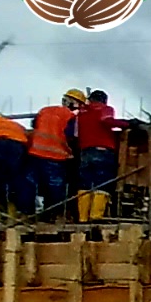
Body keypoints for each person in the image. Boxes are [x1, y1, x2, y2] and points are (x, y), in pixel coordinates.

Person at [26, 90, 82, 217]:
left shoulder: (45, 110)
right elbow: (71, 135)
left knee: (30, 184)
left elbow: (34, 124)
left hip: (35, 152)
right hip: (55, 155)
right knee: (55, 186)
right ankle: (55, 214)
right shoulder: (70, 116)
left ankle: (27, 213)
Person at [72, 88, 125, 222]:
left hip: (85, 151)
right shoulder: (105, 109)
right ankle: (95, 216)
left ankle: (83, 218)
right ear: (104, 100)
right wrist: (127, 123)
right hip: (102, 150)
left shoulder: (81, 113)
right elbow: (106, 121)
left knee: (84, 185)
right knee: (102, 183)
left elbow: (75, 134)